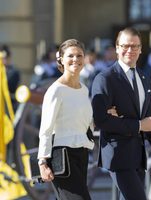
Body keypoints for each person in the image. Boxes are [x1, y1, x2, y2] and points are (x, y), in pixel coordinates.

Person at [91, 27, 151, 200]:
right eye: (126, 46)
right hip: (117, 156)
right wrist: (138, 125)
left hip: (138, 157)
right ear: (117, 48)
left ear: (141, 49)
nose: (130, 50)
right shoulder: (105, 79)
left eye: (135, 46)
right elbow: (100, 120)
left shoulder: (144, 78)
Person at [37, 39, 94, 200]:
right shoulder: (55, 90)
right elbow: (46, 129)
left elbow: (85, 123)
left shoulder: (84, 89)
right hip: (61, 155)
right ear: (61, 59)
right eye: (70, 56)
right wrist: (42, 163)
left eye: (79, 55)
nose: (75, 59)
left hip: (81, 154)